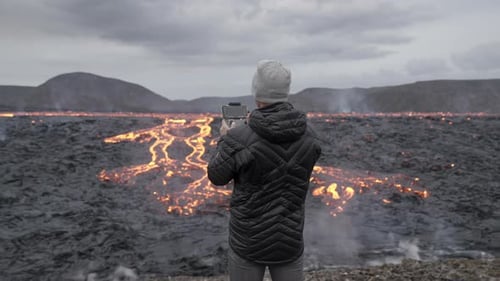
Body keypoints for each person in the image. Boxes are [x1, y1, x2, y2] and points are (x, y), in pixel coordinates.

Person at [207, 59, 322, 281]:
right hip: (289, 240)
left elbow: (217, 176)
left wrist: (226, 139)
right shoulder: (310, 135)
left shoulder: (239, 137)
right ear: (285, 92)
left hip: (249, 242)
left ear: (256, 92)